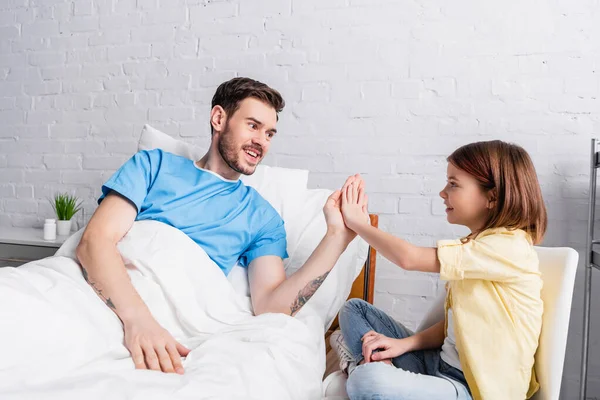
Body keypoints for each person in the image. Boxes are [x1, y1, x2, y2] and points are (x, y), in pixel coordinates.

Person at [76, 77, 368, 376]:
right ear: (219, 118)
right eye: (253, 126)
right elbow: (95, 242)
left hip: (172, 313)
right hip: (107, 298)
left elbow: (271, 306)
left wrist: (336, 238)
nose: (262, 141)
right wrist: (138, 321)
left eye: (269, 133)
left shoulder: (261, 216)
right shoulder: (153, 166)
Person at [337, 140, 546, 400]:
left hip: (470, 389)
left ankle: (366, 370)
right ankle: (377, 367)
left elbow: (408, 259)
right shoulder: (476, 247)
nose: (443, 192)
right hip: (437, 368)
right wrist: (402, 344)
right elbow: (455, 324)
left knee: (367, 382)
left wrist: (358, 223)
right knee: (354, 309)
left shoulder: (508, 247)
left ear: (491, 196)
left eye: (453, 184)